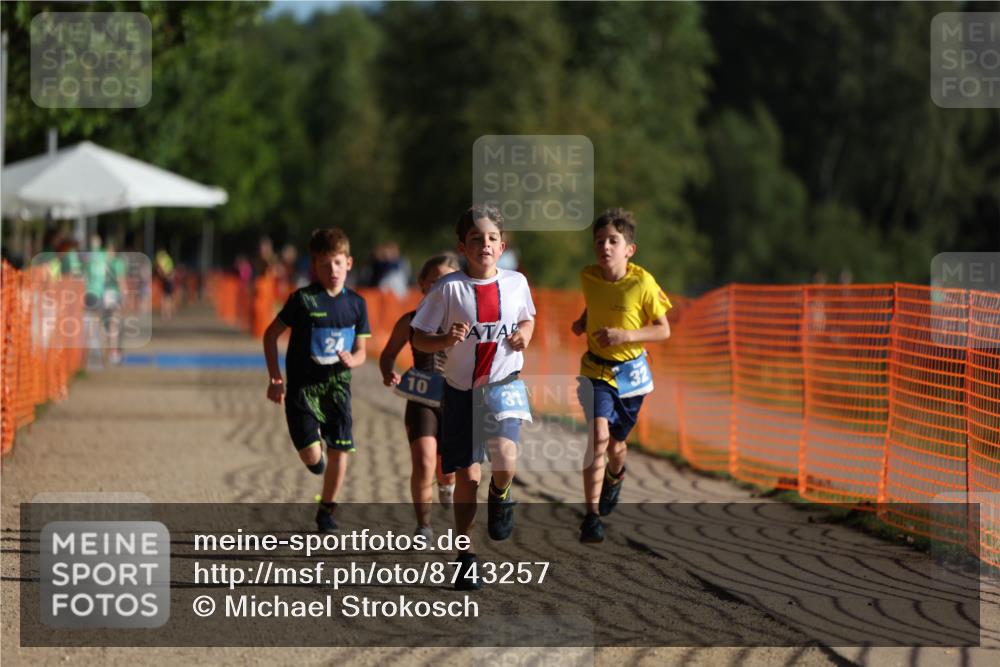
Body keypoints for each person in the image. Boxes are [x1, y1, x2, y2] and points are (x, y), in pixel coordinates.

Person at [411, 205, 536, 590]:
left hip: (504, 383)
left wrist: (525, 334)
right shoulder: (448, 289)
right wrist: (444, 340)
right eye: (476, 238)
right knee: (467, 475)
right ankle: (466, 557)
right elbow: (419, 337)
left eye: (492, 238)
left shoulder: (516, 283)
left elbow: (528, 317)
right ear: (462, 247)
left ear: (502, 246)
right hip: (461, 391)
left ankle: (502, 492)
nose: (485, 244)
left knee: (505, 458)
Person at [570, 208, 672, 543]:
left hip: (630, 375)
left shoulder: (642, 283)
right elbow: (597, 301)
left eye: (613, 241)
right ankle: (591, 517)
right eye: (599, 241)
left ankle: (616, 476)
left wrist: (626, 336)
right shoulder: (588, 276)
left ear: (629, 249)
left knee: (616, 445)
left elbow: (663, 330)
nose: (605, 247)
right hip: (595, 369)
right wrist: (584, 321)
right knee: (598, 437)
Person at [262, 228, 372, 533]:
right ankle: (316, 461)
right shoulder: (303, 300)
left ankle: (327, 509)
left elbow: (362, 351)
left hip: (338, 389)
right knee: (313, 456)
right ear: (315, 267)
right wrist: (275, 379)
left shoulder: (357, 304)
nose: (332, 270)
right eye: (325, 264)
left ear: (348, 263)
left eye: (337, 263)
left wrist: (353, 360)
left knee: (341, 449)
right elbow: (270, 336)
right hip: (303, 389)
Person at [380, 254, 460, 540]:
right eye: (435, 281)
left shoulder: (466, 320)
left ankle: (446, 483)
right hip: (421, 398)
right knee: (424, 460)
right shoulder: (411, 321)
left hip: (456, 400)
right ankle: (424, 526)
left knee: (448, 467)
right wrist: (388, 372)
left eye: (447, 281)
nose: (441, 287)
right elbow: (388, 354)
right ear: (422, 284)